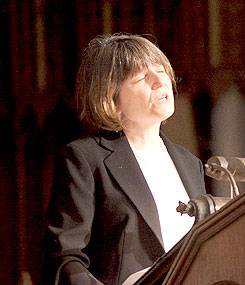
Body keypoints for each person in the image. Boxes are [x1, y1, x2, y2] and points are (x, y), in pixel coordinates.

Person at [43, 33, 207, 285]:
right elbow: (66, 257)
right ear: (111, 97)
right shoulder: (86, 159)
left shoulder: (190, 163)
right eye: (142, 77)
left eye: (161, 69)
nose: (158, 81)